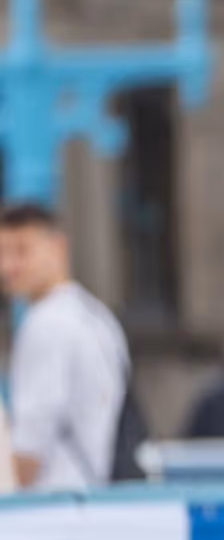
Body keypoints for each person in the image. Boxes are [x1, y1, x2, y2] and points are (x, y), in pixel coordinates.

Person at [1, 201, 133, 490]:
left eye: (22, 250)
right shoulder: (98, 315)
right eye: (2, 252)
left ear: (58, 247)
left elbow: (31, 444)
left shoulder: (45, 324)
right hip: (98, 493)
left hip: (53, 505)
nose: (8, 265)